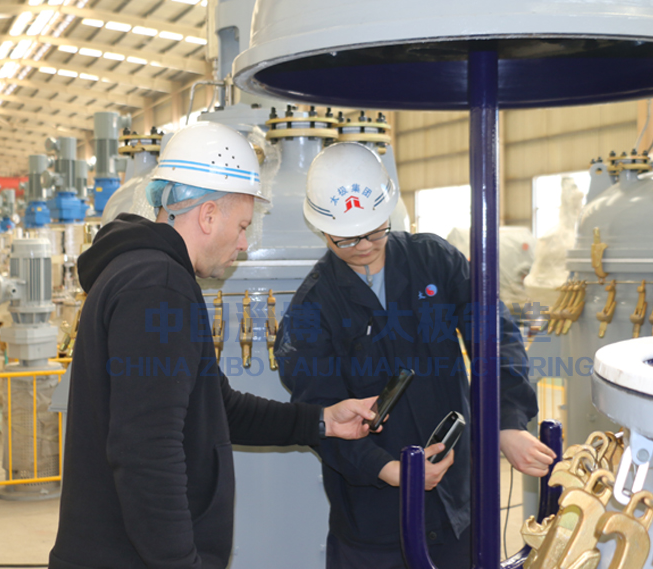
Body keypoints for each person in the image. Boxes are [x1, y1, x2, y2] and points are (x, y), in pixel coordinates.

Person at [49, 123, 380, 569]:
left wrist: (321, 421)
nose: (243, 244)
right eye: (242, 226)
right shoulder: (158, 286)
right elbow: (147, 452)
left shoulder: (141, 274)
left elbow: (215, 406)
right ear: (207, 216)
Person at [275, 142, 556, 569]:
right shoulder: (311, 310)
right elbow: (319, 414)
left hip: (456, 505)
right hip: (375, 522)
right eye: (347, 238)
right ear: (321, 229)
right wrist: (389, 469)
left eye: (375, 231)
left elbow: (494, 337)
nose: (364, 246)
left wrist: (506, 422)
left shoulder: (434, 261)